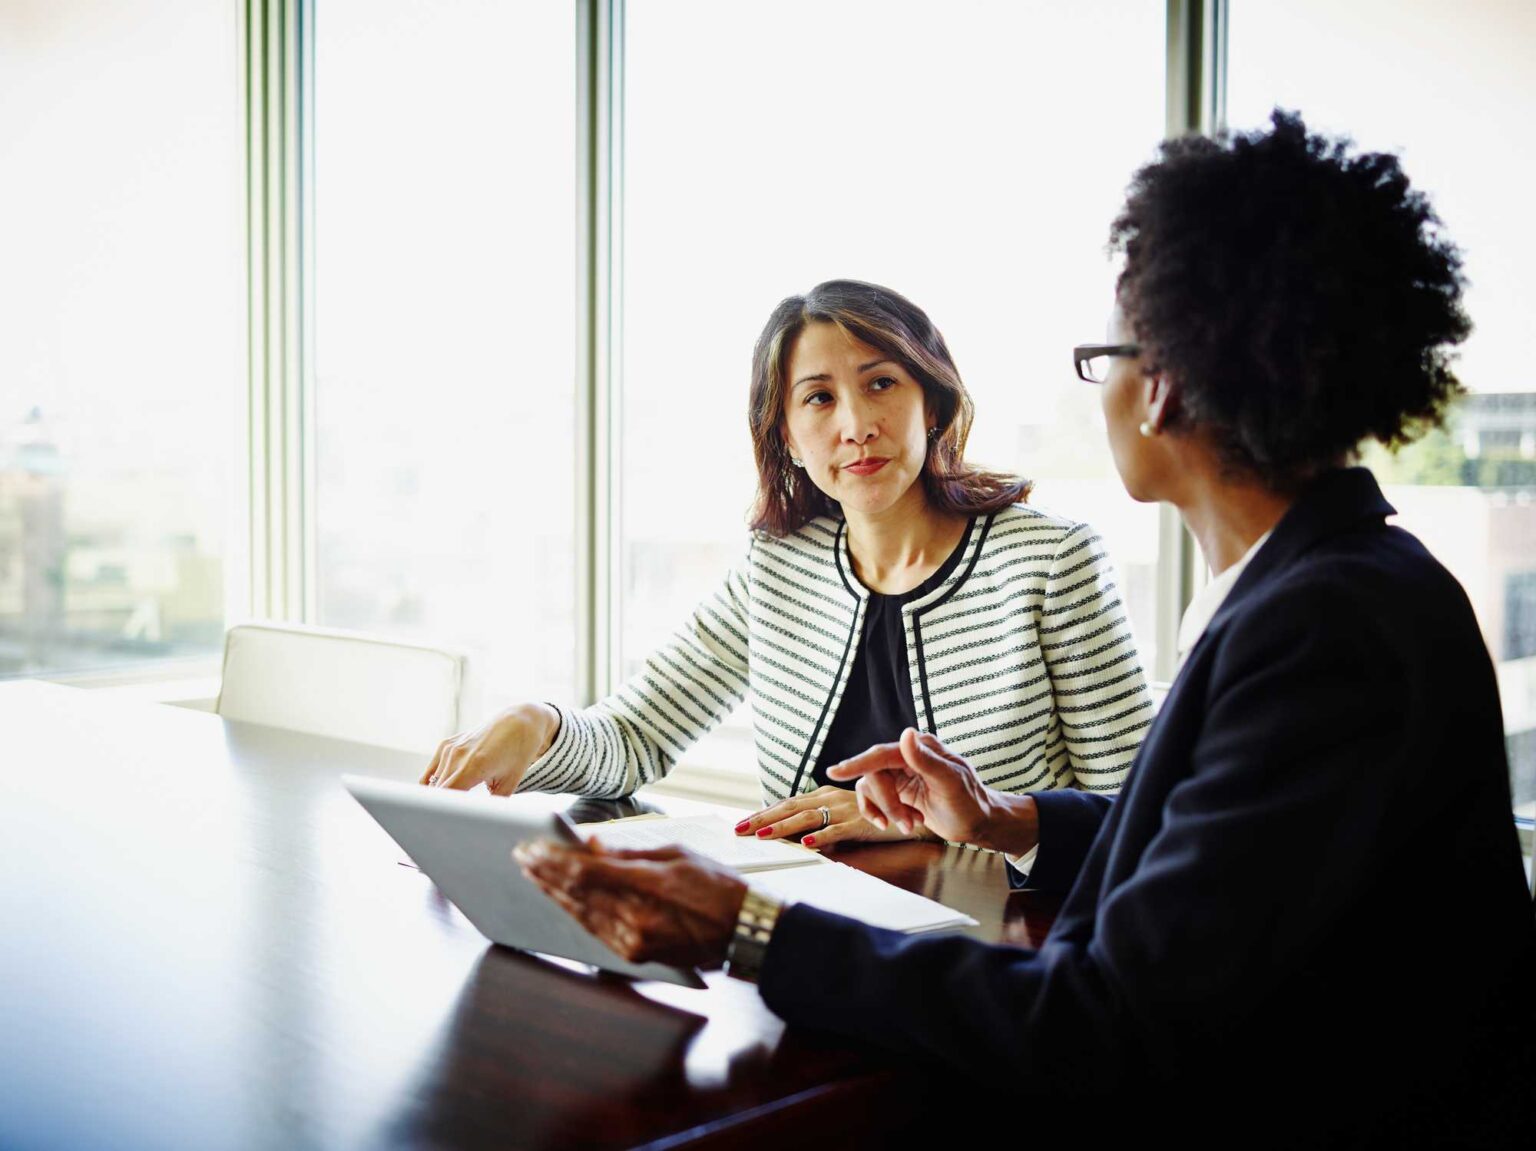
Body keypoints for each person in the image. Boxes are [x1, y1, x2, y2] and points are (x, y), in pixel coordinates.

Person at [518, 113, 1536, 1144]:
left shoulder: (1326, 627)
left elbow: (1112, 1021)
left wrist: (748, 930)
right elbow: (1202, 853)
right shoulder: (1325, 588)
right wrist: (1003, 817)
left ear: (1167, 384)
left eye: (1111, 356)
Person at [424, 280, 1153, 848]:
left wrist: (928, 819)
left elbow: (1140, 815)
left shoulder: (1050, 562)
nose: (855, 425)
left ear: (932, 402)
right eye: (818, 398)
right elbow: (635, 736)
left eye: (881, 383)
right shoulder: (778, 568)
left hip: (1005, 952)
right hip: (811, 942)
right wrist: (535, 725)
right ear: (786, 433)